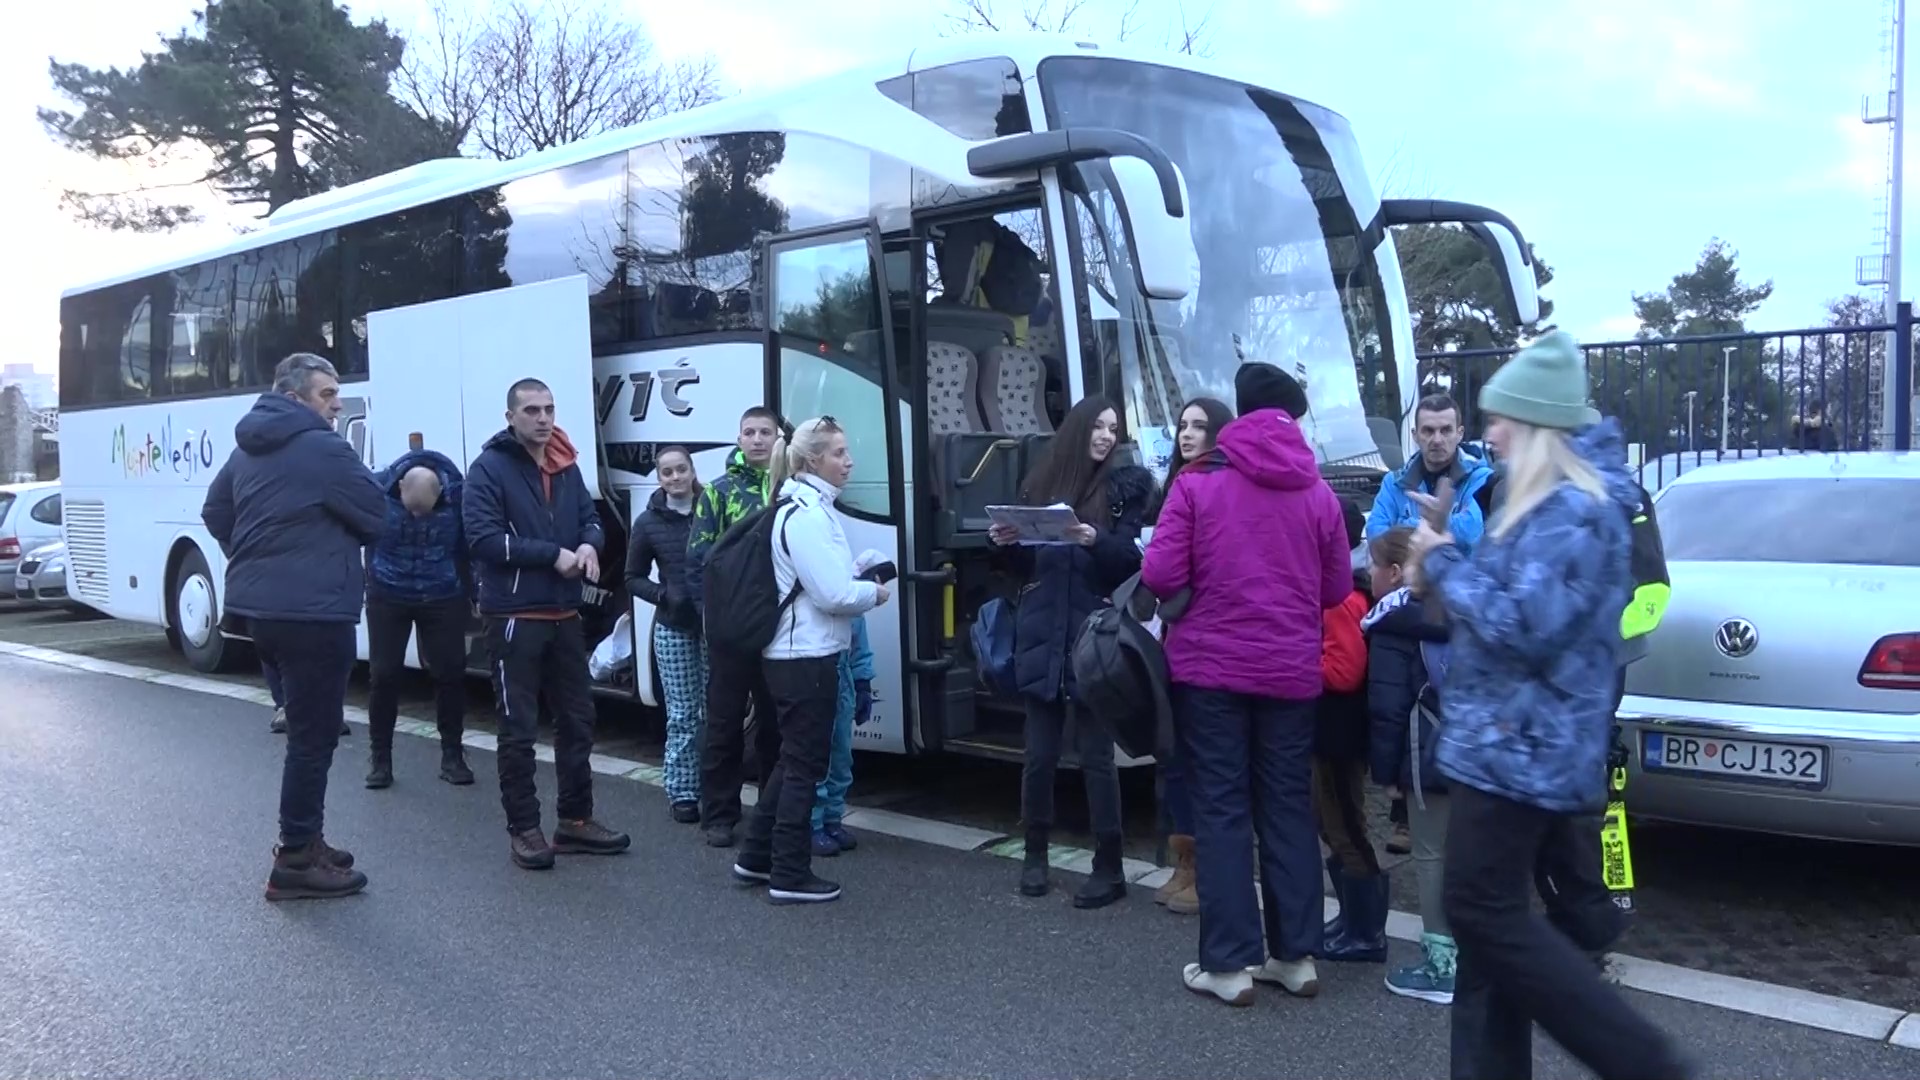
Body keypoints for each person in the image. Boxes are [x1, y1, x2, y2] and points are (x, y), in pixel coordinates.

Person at [1408, 331, 1691, 1079]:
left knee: (1484, 916)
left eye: (1502, 419)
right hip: (1507, 742)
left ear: (1536, 424)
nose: (1489, 432)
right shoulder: (1543, 503)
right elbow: (1516, 606)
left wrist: (1439, 559)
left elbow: (1520, 626)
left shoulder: (1577, 508)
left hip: (1519, 749)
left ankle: (1646, 1060)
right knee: (1490, 930)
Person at [1141, 363, 1351, 1006]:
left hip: (1211, 673)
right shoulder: (1317, 492)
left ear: (1240, 413)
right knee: (1287, 807)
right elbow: (1337, 589)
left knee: (1223, 809)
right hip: (1290, 674)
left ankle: (1229, 965)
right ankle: (1295, 957)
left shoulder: (1199, 483)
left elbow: (1159, 573)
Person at [202, 353, 385, 901]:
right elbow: (377, 516)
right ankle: (297, 858)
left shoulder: (247, 451)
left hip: (264, 613)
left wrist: (254, 556)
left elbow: (216, 513)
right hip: (314, 611)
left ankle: (308, 839)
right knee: (314, 736)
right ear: (296, 396)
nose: (337, 404)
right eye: (328, 394)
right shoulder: (323, 448)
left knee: (308, 730)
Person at [987, 395, 1154, 908]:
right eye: (1099, 427)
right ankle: (1034, 854)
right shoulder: (1040, 483)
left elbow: (1129, 559)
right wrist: (1005, 542)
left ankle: (1110, 866)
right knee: (1038, 757)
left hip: (1092, 637)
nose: (1106, 436)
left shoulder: (1126, 489)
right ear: (1078, 429)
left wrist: (1092, 538)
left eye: (1113, 429)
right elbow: (1021, 570)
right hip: (1041, 633)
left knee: (1097, 759)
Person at [465, 378, 629, 870]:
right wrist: (551, 554)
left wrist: (587, 546)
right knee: (517, 728)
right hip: (515, 616)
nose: (543, 418)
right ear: (510, 416)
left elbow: (592, 521)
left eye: (549, 409)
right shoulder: (488, 469)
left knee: (578, 722)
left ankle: (575, 821)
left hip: (565, 614)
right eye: (532, 410)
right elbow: (483, 540)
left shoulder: (567, 463)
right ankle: (524, 828)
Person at [729, 417, 888, 904]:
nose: (849, 461)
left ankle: (757, 856)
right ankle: (790, 873)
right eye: (839, 453)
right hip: (806, 657)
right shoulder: (807, 516)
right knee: (805, 767)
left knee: (790, 761)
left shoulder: (800, 507)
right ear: (812, 460)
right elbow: (833, 593)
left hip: (798, 653)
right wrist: (874, 591)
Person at [1146, 396, 1233, 917]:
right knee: (1175, 758)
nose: (1187, 434)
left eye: (1199, 426)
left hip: (1198, 640)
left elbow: (1166, 571)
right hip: (1172, 636)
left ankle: (1202, 870)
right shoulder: (1174, 486)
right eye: (1182, 425)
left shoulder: (1206, 488)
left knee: (1198, 761)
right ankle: (1186, 864)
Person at [1362, 526, 1456, 1004]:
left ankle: (1443, 966)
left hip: (1426, 753)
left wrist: (1386, 777)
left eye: (1374, 564)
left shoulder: (1392, 622)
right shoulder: (1459, 608)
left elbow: (1387, 707)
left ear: (1396, 572)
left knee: (1432, 857)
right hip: (1474, 751)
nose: (1367, 572)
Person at [687, 406, 781, 848]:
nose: (758, 439)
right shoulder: (718, 493)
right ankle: (719, 815)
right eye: (750, 432)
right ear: (738, 439)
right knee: (724, 724)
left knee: (774, 726)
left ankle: (771, 812)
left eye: (766, 432)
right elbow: (698, 557)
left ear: (779, 439)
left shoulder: (790, 490)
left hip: (780, 626)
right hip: (730, 628)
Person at [364, 448, 473, 789]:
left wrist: (474, 593)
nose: (418, 518)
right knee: (383, 675)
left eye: (424, 513)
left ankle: (453, 756)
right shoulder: (376, 492)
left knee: (451, 674)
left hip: (442, 594)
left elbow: (470, 547)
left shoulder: (459, 497)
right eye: (411, 511)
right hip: (388, 593)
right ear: (398, 491)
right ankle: (380, 759)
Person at [1314, 497, 1385, 965]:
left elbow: (1343, 671)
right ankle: (1350, 919)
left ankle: (1367, 932)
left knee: (1345, 827)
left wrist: (1298, 657)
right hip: (1329, 729)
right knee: (1334, 824)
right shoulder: (1339, 588)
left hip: (1336, 732)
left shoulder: (1340, 596)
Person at [625, 445, 706, 824]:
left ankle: (716, 786)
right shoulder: (647, 522)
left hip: (713, 625)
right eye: (667, 472)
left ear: (692, 471)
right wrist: (662, 595)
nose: (675, 478)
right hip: (673, 627)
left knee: (715, 712)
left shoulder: (712, 510)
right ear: (658, 478)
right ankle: (683, 791)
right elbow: (632, 577)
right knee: (683, 714)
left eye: (681, 470)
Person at [1365, 393, 1495, 549]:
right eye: (1428, 431)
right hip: (1405, 573)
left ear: (1459, 434)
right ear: (1415, 435)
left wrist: (1405, 526)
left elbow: (1470, 533)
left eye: (1446, 430)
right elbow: (1376, 537)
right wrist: (1442, 525)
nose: (1437, 440)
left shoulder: (1482, 479)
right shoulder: (1393, 483)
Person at [811, 614, 874, 857]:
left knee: (841, 757)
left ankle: (832, 819)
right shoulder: (822, 589)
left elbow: (860, 645)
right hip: (818, 675)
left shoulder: (851, 599)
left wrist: (863, 683)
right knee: (817, 757)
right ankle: (812, 823)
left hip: (843, 679)